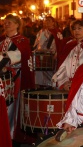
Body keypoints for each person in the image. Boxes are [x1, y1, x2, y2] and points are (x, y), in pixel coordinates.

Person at [0, 14, 35, 145]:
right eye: (5, 22)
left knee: (10, 108)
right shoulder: (2, 39)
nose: (6, 24)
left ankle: (10, 135)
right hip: (1, 79)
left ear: (17, 25)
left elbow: (20, 57)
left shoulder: (22, 41)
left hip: (14, 80)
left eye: (9, 22)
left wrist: (4, 58)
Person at [52, 20, 83, 91]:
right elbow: (62, 66)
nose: (76, 31)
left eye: (79, 28)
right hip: (67, 85)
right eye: (74, 29)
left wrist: (77, 83)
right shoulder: (69, 45)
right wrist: (64, 83)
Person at [33, 16, 62, 87]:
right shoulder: (41, 31)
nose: (47, 22)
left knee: (50, 71)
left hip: (51, 55)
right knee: (41, 71)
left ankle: (50, 85)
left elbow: (59, 44)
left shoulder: (57, 32)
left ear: (53, 22)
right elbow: (37, 43)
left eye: (49, 20)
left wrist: (56, 53)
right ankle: (42, 85)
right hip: (40, 55)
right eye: (46, 20)